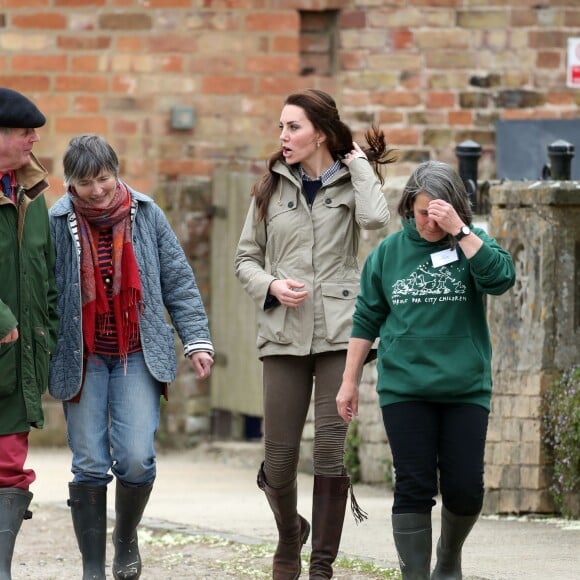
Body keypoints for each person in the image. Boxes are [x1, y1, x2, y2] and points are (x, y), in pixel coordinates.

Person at [234, 88, 396, 579]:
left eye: (293, 127)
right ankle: (290, 535)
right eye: (281, 127)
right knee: (279, 459)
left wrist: (358, 163)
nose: (283, 137)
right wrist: (271, 284)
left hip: (338, 334)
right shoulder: (269, 189)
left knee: (328, 448)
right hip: (283, 335)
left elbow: (376, 219)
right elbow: (245, 259)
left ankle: (320, 567)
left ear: (319, 133)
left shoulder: (352, 185)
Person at [336, 160, 516, 580]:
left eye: (438, 213)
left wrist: (461, 231)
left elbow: (501, 279)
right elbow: (366, 318)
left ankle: (448, 557)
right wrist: (349, 381)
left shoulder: (473, 245)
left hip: (465, 388)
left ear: (455, 210)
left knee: (466, 489)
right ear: (407, 210)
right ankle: (415, 575)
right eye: (422, 213)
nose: (429, 223)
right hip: (405, 388)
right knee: (413, 485)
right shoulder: (389, 253)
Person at [48, 134, 214, 580]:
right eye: (85, 182)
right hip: (82, 356)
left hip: (137, 353)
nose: (97, 190)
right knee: (88, 460)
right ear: (71, 184)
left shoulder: (147, 213)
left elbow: (178, 280)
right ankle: (92, 568)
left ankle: (125, 539)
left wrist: (197, 341)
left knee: (137, 457)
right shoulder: (56, 221)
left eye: (103, 178)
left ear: (116, 172)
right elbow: (43, 290)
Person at [0, 87, 59, 579]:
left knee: (9, 468)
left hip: (17, 363)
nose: (34, 139)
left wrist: (48, 335)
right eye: (25, 132)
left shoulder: (34, 194)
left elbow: (49, 275)